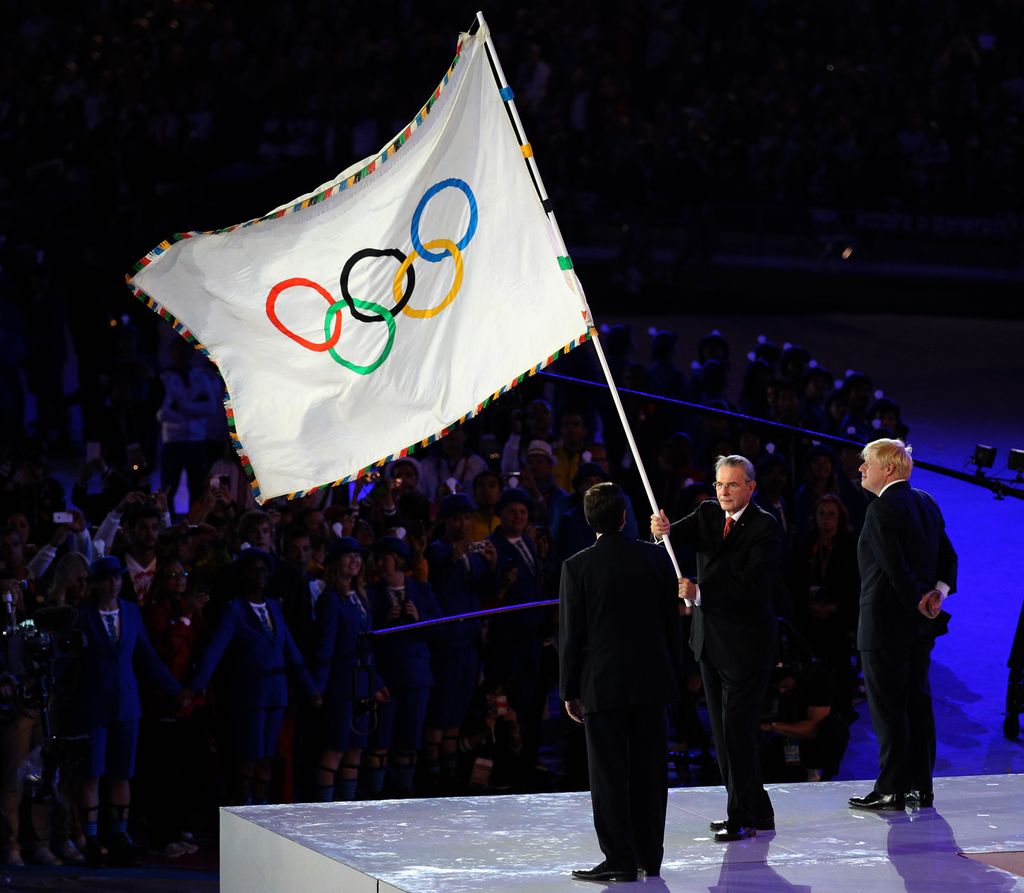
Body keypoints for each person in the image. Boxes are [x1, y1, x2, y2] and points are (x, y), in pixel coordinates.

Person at [651, 455, 782, 841]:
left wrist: (699, 592)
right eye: (720, 485)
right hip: (709, 643)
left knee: (736, 733)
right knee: (723, 735)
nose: (724, 492)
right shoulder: (709, 513)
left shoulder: (765, 527)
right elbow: (672, 537)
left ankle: (740, 816)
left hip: (746, 646)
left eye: (733, 485)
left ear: (750, 487)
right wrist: (662, 529)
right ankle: (757, 811)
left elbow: (751, 587)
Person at [561, 482, 682, 882]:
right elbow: (671, 627)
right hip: (652, 682)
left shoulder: (577, 566)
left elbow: (572, 636)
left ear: (588, 519)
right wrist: (675, 675)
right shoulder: (656, 559)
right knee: (650, 773)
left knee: (609, 775)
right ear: (626, 516)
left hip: (603, 686)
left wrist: (568, 690)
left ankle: (619, 859)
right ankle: (650, 856)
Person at [847, 438, 957, 812]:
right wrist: (935, 596)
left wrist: (918, 598)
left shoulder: (880, 509)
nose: (861, 469)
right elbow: (949, 557)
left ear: (888, 469)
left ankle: (892, 787)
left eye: (866, 463)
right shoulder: (925, 501)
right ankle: (920, 787)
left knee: (888, 708)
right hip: (919, 627)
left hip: (883, 626)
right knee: (917, 702)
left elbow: (895, 569)